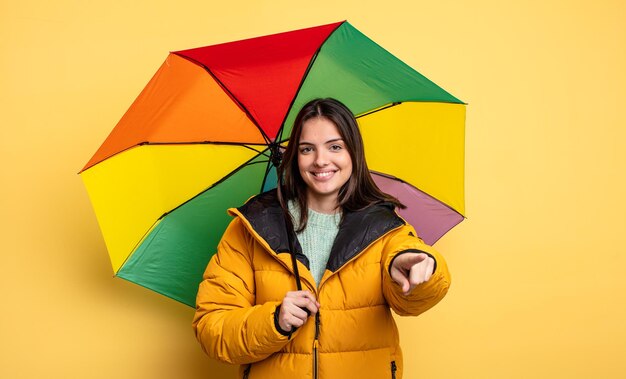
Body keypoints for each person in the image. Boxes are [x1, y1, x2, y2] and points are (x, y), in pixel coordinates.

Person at [193, 98, 451, 379]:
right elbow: (212, 330)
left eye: (335, 147)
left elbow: (414, 298)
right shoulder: (251, 227)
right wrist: (274, 321)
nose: (320, 160)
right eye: (307, 149)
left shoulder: (384, 228)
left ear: (353, 152)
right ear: (294, 156)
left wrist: (418, 268)